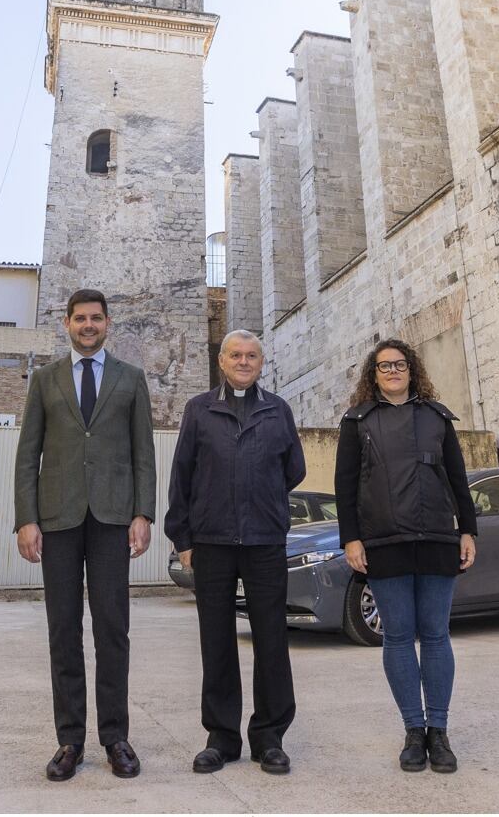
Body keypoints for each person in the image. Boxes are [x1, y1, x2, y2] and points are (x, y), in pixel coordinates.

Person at [14, 289, 156, 782]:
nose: (88, 325)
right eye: (80, 318)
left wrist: (143, 513)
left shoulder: (131, 379)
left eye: (96, 318)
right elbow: (27, 453)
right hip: (57, 518)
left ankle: (115, 736)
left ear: (108, 323)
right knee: (63, 629)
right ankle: (69, 740)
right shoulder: (44, 379)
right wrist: (26, 518)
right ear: (67, 324)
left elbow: (143, 453)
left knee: (112, 628)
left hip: (113, 518)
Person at [165, 330, 305, 775]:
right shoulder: (199, 410)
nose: (244, 362)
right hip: (212, 542)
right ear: (222, 362)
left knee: (272, 640)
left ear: (261, 363)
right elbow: (182, 475)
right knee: (217, 642)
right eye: (236, 355)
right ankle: (221, 738)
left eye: (252, 355)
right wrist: (183, 539)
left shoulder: (278, 410)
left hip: (265, 540)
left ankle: (269, 738)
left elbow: (293, 469)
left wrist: (262, 498)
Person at [333, 338, 476, 774]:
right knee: (397, 636)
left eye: (399, 364)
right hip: (384, 542)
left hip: (436, 538)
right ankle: (414, 731)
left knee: (435, 635)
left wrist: (467, 530)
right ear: (373, 375)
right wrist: (351, 539)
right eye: (384, 366)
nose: (392, 371)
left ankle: (439, 732)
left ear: (412, 370)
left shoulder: (437, 417)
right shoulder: (357, 422)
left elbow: (457, 477)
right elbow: (345, 485)